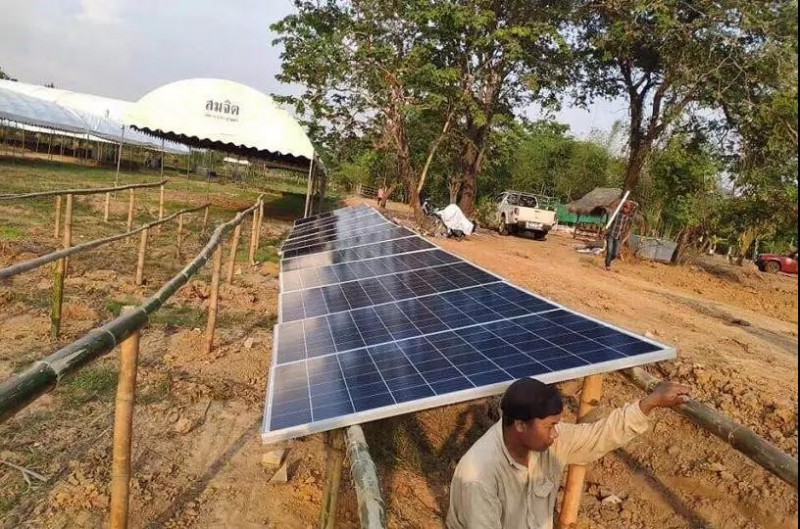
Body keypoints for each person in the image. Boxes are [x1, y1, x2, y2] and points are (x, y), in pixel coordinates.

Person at [447, 377, 690, 529]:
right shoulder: (479, 478)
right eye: (549, 426)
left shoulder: (546, 441)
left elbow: (599, 436)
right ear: (520, 424)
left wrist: (650, 403)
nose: (555, 434)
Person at [605, 200, 635, 271]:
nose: (625, 209)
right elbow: (612, 212)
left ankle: (609, 261)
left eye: (627, 208)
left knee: (615, 254)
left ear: (628, 210)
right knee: (609, 251)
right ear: (622, 207)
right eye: (624, 207)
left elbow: (624, 227)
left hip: (618, 237)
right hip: (611, 235)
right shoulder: (616, 214)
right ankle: (607, 265)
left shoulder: (627, 217)